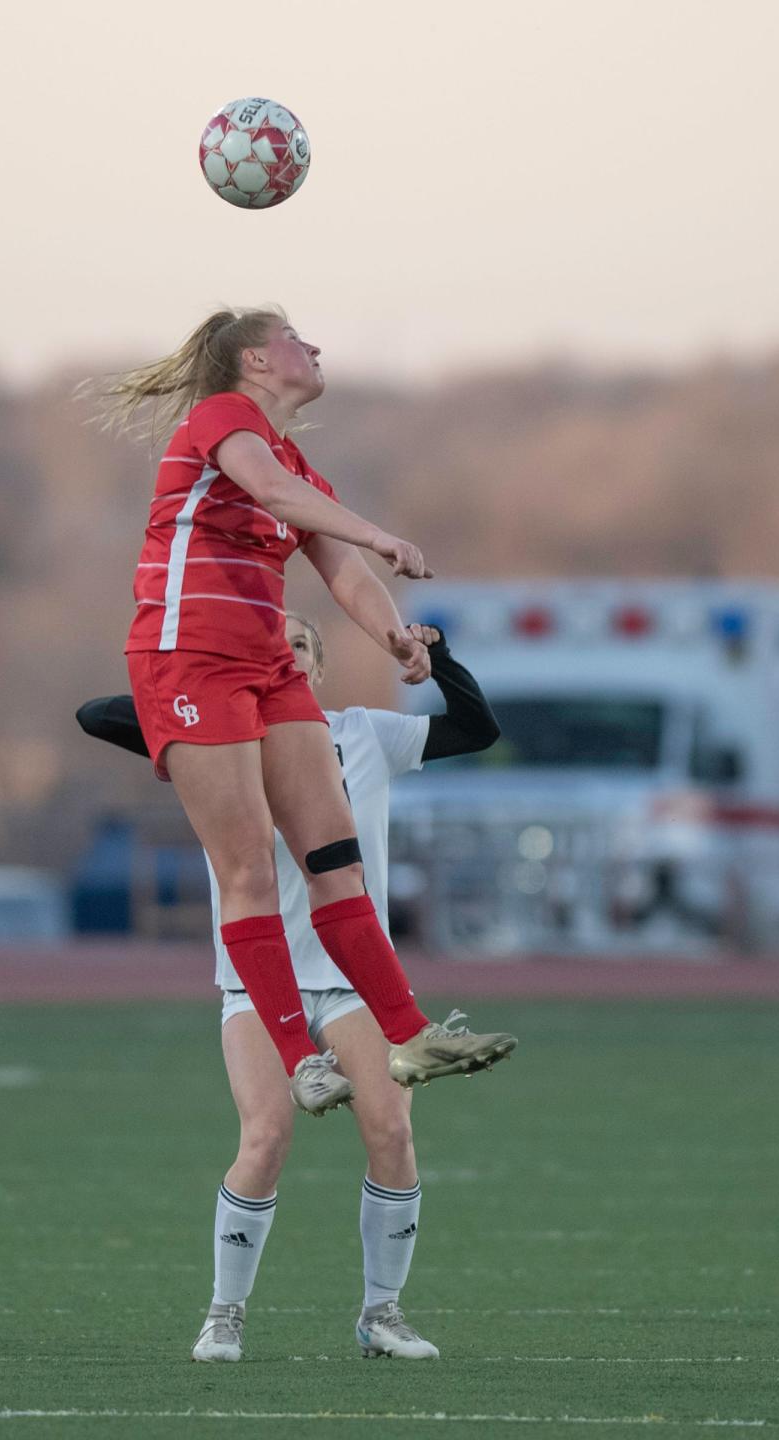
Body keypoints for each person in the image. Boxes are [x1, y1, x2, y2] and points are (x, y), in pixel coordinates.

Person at [98, 305, 515, 1116]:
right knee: (250, 867)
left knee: (335, 862)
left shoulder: (298, 465)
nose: (315, 346)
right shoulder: (225, 419)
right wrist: (382, 532)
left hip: (265, 666)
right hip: (187, 660)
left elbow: (346, 573)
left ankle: (412, 1033)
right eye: (297, 337)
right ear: (256, 360)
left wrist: (398, 638)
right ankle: (298, 1057)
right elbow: (268, 489)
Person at [76, 614, 507, 1362]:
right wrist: (193, 695)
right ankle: (223, 1315)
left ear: (318, 667)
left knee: (393, 1134)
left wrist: (435, 656)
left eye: (297, 646)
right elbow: (97, 717)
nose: (282, 654)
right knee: (266, 1137)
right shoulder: (217, 742)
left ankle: (383, 1315)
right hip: (255, 983)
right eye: (264, 646)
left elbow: (476, 728)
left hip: (351, 983)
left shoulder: (364, 734)